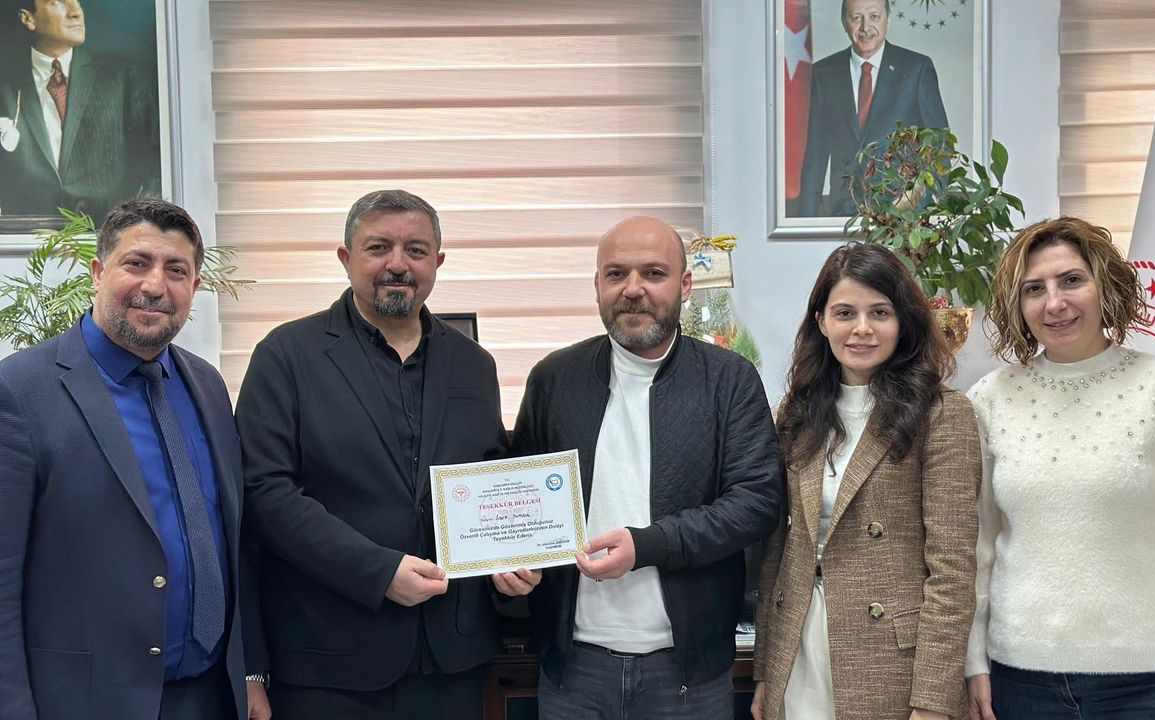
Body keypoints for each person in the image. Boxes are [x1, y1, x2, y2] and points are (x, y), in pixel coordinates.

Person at [236, 189, 536, 720]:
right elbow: (266, 493)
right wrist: (378, 572)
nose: (398, 264)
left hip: (452, 659)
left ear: (437, 262)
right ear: (346, 258)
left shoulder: (474, 364)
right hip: (330, 661)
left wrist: (513, 559)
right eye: (379, 247)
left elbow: (491, 480)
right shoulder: (286, 355)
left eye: (416, 250)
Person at [965, 217, 1155, 720]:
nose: (1054, 302)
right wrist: (975, 660)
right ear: (1017, 305)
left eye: (1071, 280)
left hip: (1153, 685)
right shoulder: (989, 400)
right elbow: (976, 546)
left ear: (1107, 286)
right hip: (1018, 683)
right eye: (1034, 289)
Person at [511, 216, 784, 719]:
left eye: (653, 273)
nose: (632, 289)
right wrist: (510, 564)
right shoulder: (553, 379)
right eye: (616, 274)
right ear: (597, 285)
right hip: (574, 671)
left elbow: (757, 502)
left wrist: (647, 545)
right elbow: (520, 497)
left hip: (686, 673)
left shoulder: (729, 379)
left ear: (685, 286)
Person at [0, 197, 260, 719]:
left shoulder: (207, 384)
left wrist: (250, 673)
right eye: (137, 263)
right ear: (98, 272)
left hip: (212, 696)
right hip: (87, 702)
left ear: (194, 287)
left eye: (176, 270)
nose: (156, 285)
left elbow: (232, 543)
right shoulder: (20, 390)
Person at [751, 243, 980, 719]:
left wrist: (933, 701)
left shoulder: (942, 415)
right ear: (821, 321)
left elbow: (953, 572)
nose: (862, 328)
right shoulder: (796, 413)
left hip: (894, 660)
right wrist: (765, 673)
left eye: (880, 312)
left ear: (903, 321)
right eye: (844, 313)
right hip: (800, 643)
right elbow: (779, 550)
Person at [0, 0, 160, 220]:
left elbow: (156, 166)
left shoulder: (122, 79)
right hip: (22, 234)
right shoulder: (6, 86)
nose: (76, 12)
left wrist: (133, 225)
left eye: (76, 1)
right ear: (28, 19)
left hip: (107, 232)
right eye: (58, 2)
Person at [796, 0, 947, 218]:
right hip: (844, 213)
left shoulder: (917, 68)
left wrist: (921, 202)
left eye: (874, 17)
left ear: (888, 20)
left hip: (903, 215)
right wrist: (804, 223)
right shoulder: (824, 72)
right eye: (857, 18)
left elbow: (940, 148)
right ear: (844, 22)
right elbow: (815, 155)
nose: (865, 27)